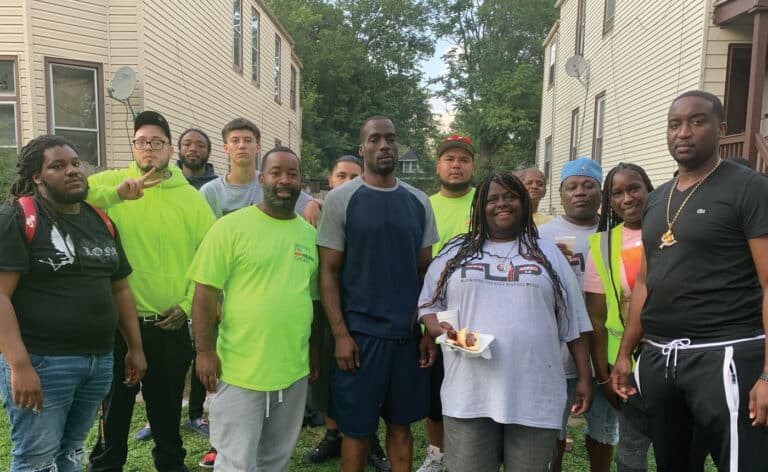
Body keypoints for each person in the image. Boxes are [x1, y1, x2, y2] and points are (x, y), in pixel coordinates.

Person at [611, 90, 768, 470]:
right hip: (662, 358)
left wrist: (767, 373)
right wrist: (623, 356)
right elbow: (646, 282)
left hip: (726, 354)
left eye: (697, 121)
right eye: (674, 124)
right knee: (673, 464)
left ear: (720, 129)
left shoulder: (749, 187)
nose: (683, 132)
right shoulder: (656, 199)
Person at [418, 171, 593, 472]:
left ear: (524, 203)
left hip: (535, 395)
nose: (502, 204)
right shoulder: (455, 252)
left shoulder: (548, 254)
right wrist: (437, 327)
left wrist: (584, 376)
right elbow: (428, 306)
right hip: (469, 394)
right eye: (492, 198)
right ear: (479, 207)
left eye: (510, 196)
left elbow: (573, 322)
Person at [0, 135, 146, 472]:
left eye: (76, 164)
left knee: (71, 453)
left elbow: (120, 289)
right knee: (36, 459)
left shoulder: (101, 221)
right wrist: (20, 365)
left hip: (98, 363)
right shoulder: (18, 217)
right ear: (37, 176)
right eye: (58, 165)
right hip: (43, 363)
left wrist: (134, 347)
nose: (72, 171)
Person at [86, 111, 216, 472]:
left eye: (157, 143)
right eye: (142, 142)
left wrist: (188, 306)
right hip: (118, 328)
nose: (149, 149)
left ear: (169, 149)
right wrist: (116, 195)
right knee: (113, 417)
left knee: (167, 414)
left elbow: (209, 260)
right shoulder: (114, 182)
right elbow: (77, 194)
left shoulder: (191, 200)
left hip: (169, 326)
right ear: (133, 146)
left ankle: (171, 466)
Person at [317, 115, 439, 472]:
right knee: (356, 431)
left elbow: (425, 274)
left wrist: (425, 330)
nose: (384, 145)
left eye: (390, 138)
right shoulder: (341, 200)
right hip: (360, 338)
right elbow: (328, 271)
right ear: (362, 148)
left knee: (401, 427)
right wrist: (340, 334)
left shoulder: (418, 202)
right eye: (374, 139)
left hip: (404, 336)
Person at [188, 146, 320, 471]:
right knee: (235, 461)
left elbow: (312, 300)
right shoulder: (230, 228)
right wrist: (204, 352)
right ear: (262, 178)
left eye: (292, 174)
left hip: (292, 371)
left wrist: (314, 352)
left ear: (301, 181)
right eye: (276, 173)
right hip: (240, 371)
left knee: (275, 460)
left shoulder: (309, 235)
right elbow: (204, 292)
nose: (284, 181)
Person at [304, 155, 391, 471]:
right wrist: (313, 203)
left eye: (355, 175)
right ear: (330, 179)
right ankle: (332, 436)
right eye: (341, 175)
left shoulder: (373, 210)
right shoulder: (315, 212)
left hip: (364, 306)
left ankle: (370, 442)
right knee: (329, 372)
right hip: (325, 304)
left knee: (364, 374)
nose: (348, 181)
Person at [539, 157, 619, 472]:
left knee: (604, 426)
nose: (580, 192)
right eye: (572, 186)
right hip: (557, 344)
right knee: (552, 428)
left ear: (601, 192)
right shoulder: (541, 234)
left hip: (604, 345)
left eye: (588, 186)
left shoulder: (616, 230)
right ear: (560, 194)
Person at [583, 163, 654, 472]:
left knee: (677, 445)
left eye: (634, 189)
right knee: (631, 450)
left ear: (649, 189)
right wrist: (602, 376)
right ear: (609, 201)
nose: (627, 198)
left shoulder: (674, 231)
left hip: (677, 358)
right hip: (625, 364)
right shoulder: (602, 244)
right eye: (617, 193)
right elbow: (595, 317)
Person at [416, 133, 477, 472]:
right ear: (438, 164)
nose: (456, 165)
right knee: (434, 386)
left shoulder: (485, 201)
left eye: (463, 160)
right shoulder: (423, 205)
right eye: (450, 159)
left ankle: (469, 453)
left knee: (472, 384)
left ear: (473, 166)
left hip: (476, 304)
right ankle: (437, 453)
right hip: (434, 306)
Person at [199, 118, 312, 218]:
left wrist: (315, 203)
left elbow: (306, 202)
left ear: (258, 147)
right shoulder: (210, 192)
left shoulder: (270, 183)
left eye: (248, 140)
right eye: (235, 140)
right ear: (226, 148)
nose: (242, 145)